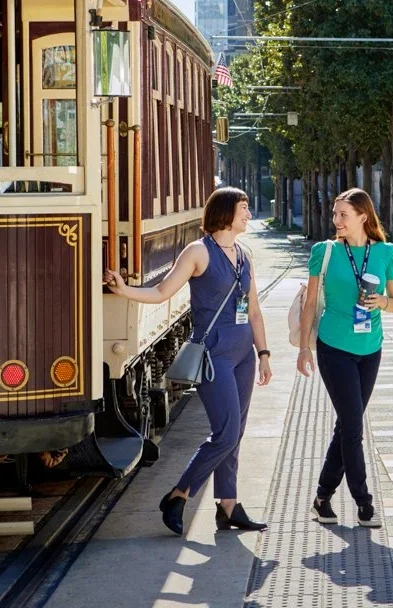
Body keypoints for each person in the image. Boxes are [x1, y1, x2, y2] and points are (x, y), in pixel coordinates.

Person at [105, 187, 272, 536]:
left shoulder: (244, 254)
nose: (248, 214)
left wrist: (264, 354)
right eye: (244, 208)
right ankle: (180, 494)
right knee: (225, 434)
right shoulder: (199, 251)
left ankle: (228, 505)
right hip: (214, 353)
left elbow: (254, 310)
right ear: (225, 212)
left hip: (244, 353)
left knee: (235, 433)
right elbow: (162, 291)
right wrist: (125, 290)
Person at [297, 188, 393, 528]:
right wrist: (302, 348)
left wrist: (382, 302)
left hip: (371, 349)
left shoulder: (386, 252)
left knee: (346, 425)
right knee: (353, 427)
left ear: (363, 217)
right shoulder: (323, 252)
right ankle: (363, 502)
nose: (336, 220)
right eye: (335, 214)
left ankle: (323, 496)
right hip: (334, 347)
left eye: (343, 214)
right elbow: (310, 303)